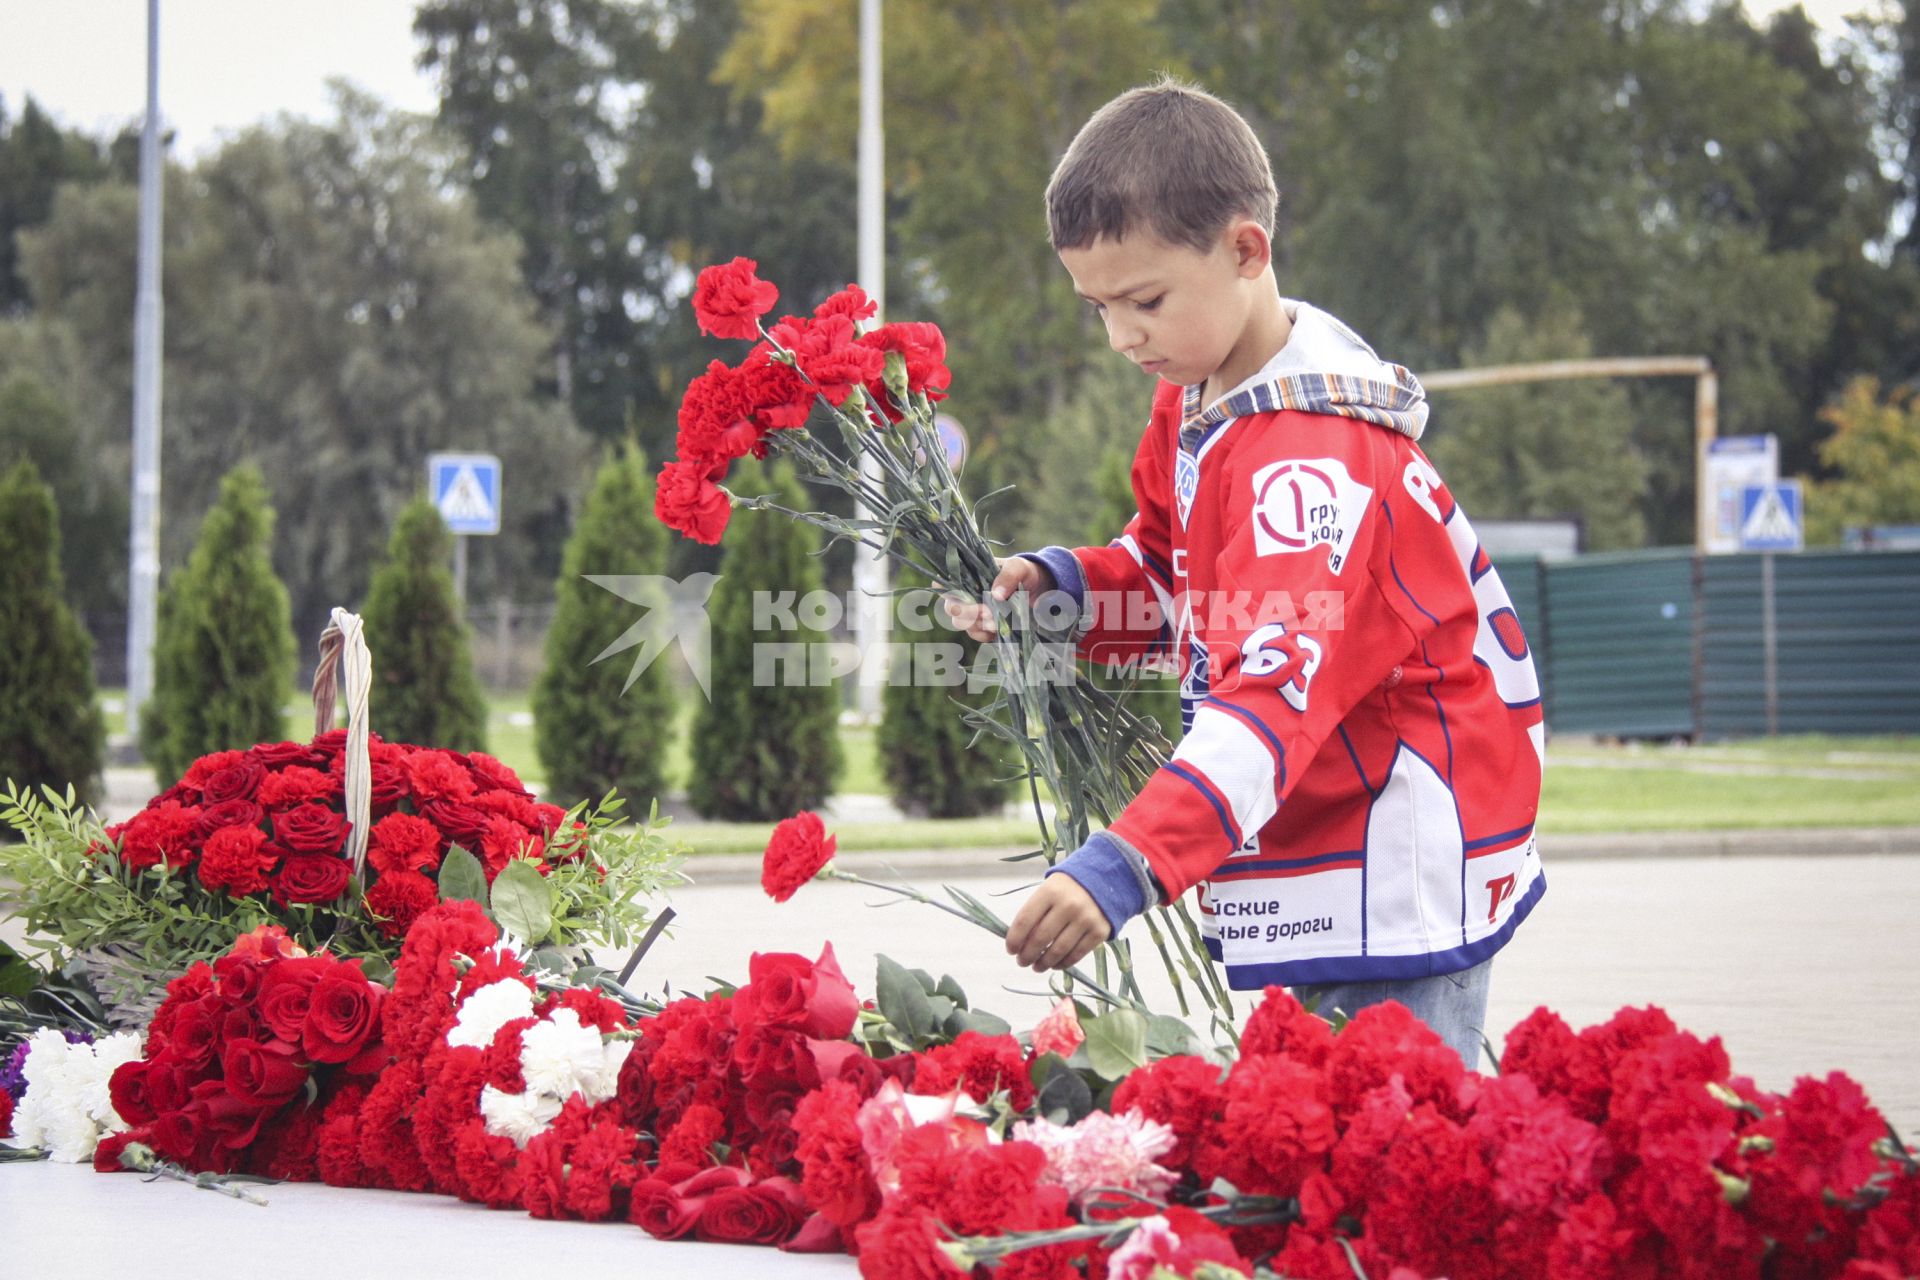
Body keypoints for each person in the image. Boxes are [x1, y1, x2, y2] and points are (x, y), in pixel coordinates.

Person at [949, 78, 1545, 1067]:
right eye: (1096, 306)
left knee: (1391, 1164)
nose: (1120, 337)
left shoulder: (1308, 460)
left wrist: (1121, 865)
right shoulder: (1196, 397)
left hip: (1394, 859)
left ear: (1245, 250)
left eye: (1144, 301)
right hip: (1320, 831)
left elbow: (1265, 700)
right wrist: (1057, 592)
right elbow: (1173, 582)